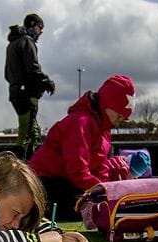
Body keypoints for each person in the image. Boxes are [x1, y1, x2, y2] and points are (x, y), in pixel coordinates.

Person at [29, 74, 137, 221]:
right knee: (83, 211)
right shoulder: (80, 122)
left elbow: (101, 166)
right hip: (46, 182)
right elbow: (76, 169)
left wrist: (105, 190)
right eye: (119, 116)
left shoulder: (104, 129)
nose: (119, 121)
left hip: (69, 181)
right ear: (108, 103)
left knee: (98, 207)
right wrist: (102, 192)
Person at [5, 13, 55, 158]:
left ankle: (18, 163)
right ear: (33, 26)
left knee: (24, 131)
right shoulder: (27, 42)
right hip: (26, 94)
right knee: (31, 134)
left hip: (15, 92)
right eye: (40, 27)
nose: (41, 31)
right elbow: (33, 68)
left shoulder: (12, 44)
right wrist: (47, 82)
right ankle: (25, 167)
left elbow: (7, 73)